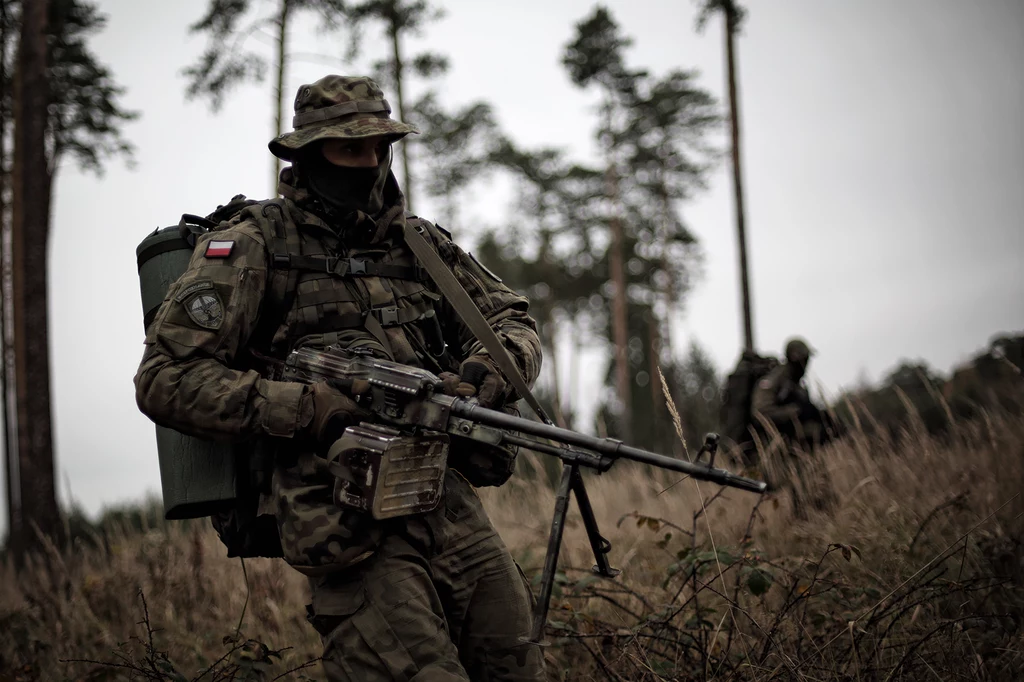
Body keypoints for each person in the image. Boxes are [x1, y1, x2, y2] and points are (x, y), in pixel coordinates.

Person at [134, 75, 545, 681]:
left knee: (517, 668)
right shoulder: (251, 247)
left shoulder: (419, 245)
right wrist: (307, 409)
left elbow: (512, 319)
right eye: (350, 148)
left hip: (446, 503)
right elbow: (165, 378)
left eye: (380, 147)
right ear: (308, 153)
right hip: (342, 523)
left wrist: (489, 370)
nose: (370, 163)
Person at [750, 337, 832, 516]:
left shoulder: (797, 383)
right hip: (782, 447)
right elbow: (760, 411)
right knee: (801, 488)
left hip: (802, 446)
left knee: (819, 486)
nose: (807, 364)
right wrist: (793, 412)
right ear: (796, 358)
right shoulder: (776, 379)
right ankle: (804, 523)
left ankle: (820, 519)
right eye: (804, 359)